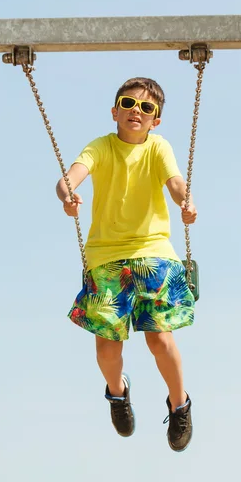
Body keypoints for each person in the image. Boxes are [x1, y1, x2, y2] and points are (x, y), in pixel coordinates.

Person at [56, 77, 197, 452]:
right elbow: (69, 178)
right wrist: (68, 195)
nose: (137, 111)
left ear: (156, 120)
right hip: (107, 255)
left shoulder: (158, 147)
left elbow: (176, 183)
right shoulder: (100, 147)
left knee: (160, 339)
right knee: (107, 348)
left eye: (147, 108)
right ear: (115, 111)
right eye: (129, 103)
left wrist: (187, 201)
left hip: (154, 253)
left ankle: (179, 403)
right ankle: (118, 395)